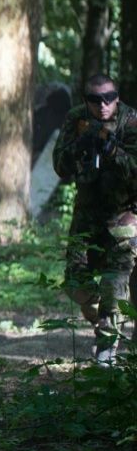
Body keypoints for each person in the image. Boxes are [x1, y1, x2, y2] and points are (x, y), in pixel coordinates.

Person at [53, 73, 136, 367]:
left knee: (115, 282)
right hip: (86, 216)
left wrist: (112, 149)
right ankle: (107, 321)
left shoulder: (131, 121)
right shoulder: (76, 119)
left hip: (124, 215)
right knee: (77, 283)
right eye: (95, 100)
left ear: (117, 96)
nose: (104, 105)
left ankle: (106, 345)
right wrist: (83, 143)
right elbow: (60, 166)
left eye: (110, 98)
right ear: (85, 100)